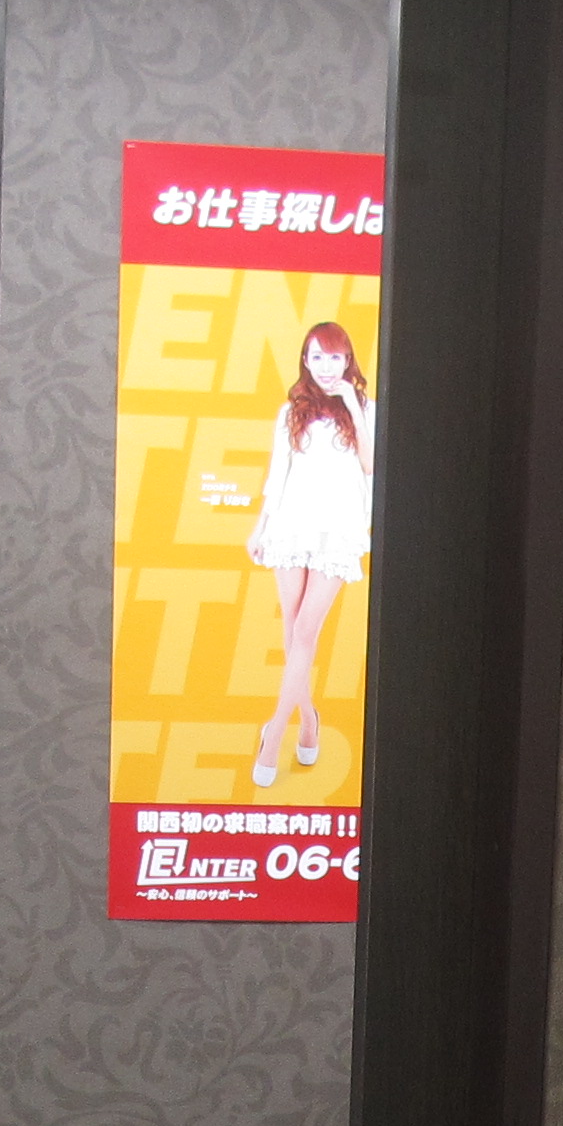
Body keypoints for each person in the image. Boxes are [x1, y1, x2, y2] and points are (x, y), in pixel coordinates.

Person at [245, 321, 373, 789]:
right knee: (292, 630)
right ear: (305, 360)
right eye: (317, 356)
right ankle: (309, 719)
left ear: (348, 361)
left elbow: (372, 465)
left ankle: (274, 734)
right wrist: (260, 526)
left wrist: (353, 407)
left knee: (305, 630)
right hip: (290, 525)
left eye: (335, 357)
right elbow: (277, 473)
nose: (326, 366)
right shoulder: (291, 411)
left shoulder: (365, 408)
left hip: (337, 530)